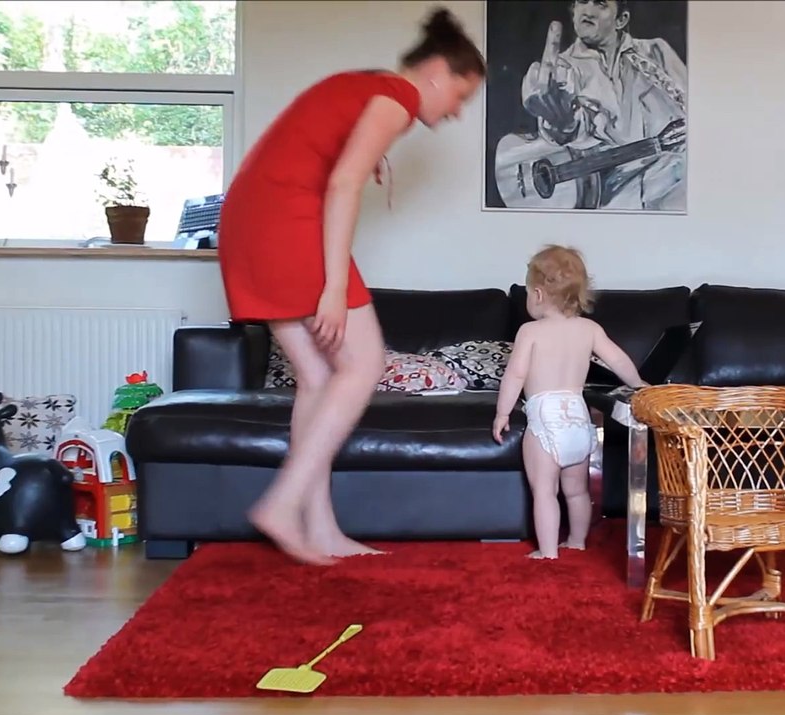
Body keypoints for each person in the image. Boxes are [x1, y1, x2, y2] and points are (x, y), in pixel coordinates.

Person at [217, 8, 485, 565]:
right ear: (436, 72)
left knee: (317, 376)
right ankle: (283, 504)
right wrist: (333, 287)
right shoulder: (398, 98)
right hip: (285, 223)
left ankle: (320, 529)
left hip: (250, 220)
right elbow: (341, 184)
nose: (458, 111)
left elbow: (323, 146)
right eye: (460, 95)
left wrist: (368, 153)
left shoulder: (368, 88)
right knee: (363, 364)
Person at [491, 245, 647, 559]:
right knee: (577, 491)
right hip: (578, 417)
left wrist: (502, 412)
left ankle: (548, 552)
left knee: (545, 492)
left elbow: (515, 375)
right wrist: (638, 383)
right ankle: (576, 541)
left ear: (536, 293)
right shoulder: (589, 329)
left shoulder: (529, 331)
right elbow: (617, 358)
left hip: (545, 418)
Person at [520, 0, 687, 210]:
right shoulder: (561, 74)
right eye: (581, 2)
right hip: (616, 205)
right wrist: (563, 124)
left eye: (600, 3)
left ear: (621, 20)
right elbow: (571, 132)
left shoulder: (656, 51)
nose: (587, 11)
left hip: (676, 187)